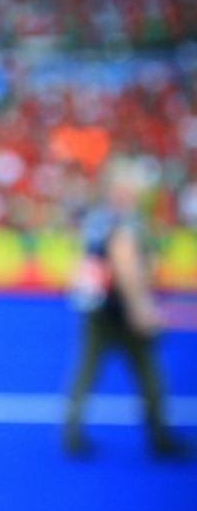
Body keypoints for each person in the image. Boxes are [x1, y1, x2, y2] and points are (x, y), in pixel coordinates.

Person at [64, 159, 189, 459]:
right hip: (122, 308)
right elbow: (126, 266)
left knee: (87, 371)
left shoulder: (98, 220)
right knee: (148, 373)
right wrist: (140, 307)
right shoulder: (127, 222)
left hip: (98, 307)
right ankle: (159, 436)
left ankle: (73, 432)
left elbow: (85, 263)